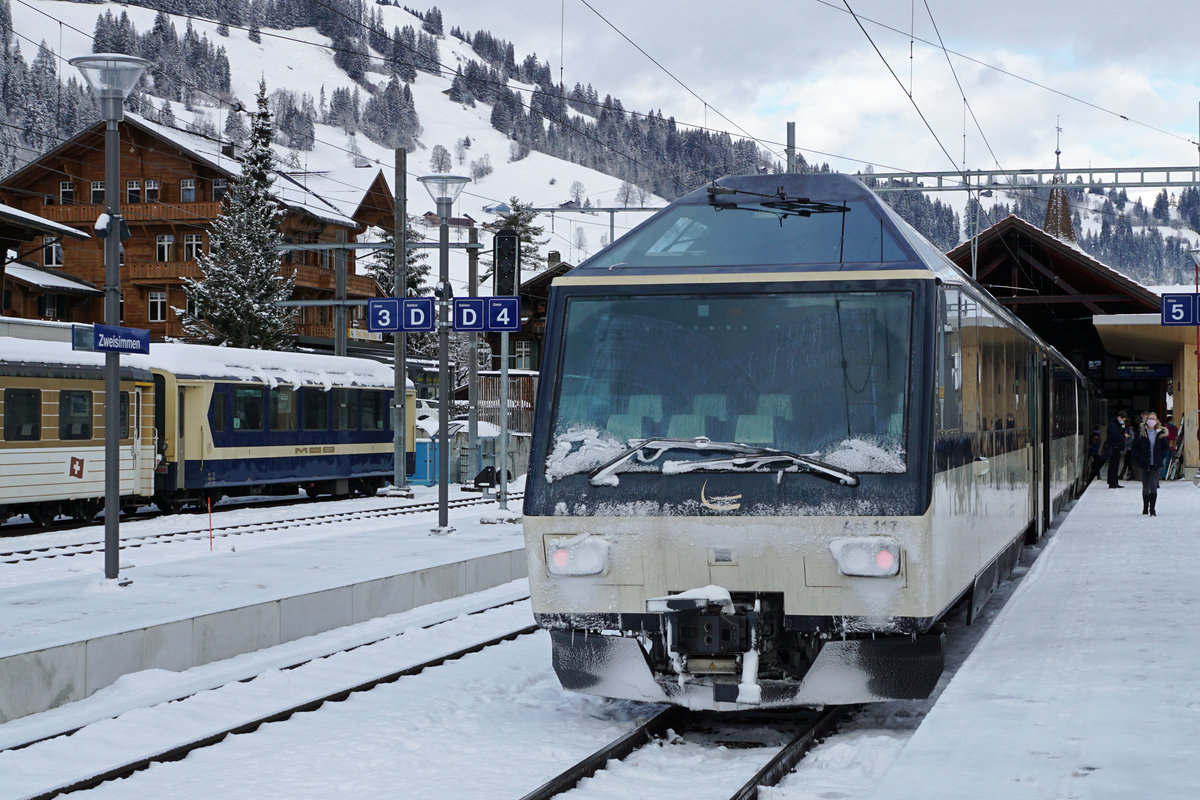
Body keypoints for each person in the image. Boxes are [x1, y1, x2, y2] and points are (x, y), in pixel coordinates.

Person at [1132, 411, 1169, 516]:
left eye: (1153, 419)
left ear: (1157, 421)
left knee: (1153, 485)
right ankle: (1145, 507)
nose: (1151, 421)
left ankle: (1152, 509)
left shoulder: (1160, 433)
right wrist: (1138, 457)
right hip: (1144, 463)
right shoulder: (1141, 433)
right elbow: (1134, 447)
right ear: (1146, 420)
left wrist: (1162, 456)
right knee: (1145, 486)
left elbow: (1165, 447)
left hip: (1156, 463)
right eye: (1149, 419)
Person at [1105, 410, 1129, 489]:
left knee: (1115, 465)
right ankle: (1113, 483)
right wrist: (1123, 435)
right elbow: (1115, 437)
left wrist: (1122, 428)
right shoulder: (1113, 425)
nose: (1123, 421)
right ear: (1119, 417)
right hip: (1114, 447)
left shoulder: (1115, 424)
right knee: (1114, 465)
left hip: (1116, 447)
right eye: (1122, 419)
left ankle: (1114, 482)